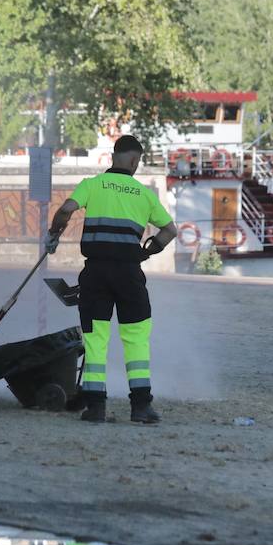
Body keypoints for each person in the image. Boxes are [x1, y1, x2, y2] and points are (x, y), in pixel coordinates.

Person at [47, 135, 177, 424]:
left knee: (96, 340)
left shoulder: (92, 185)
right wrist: (147, 252)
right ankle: (141, 407)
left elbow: (66, 210)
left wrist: (53, 234)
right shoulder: (144, 195)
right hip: (130, 274)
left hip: (95, 273)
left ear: (113, 156)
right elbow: (170, 231)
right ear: (133, 160)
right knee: (136, 340)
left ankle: (96, 408)